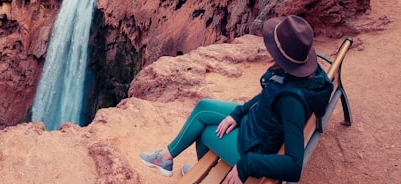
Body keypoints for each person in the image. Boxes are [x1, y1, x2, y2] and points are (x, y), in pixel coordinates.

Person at [139, 15, 334, 183]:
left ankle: (205, 177)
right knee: (203, 106)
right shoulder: (304, 73)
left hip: (253, 146)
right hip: (257, 126)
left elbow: (294, 166)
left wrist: (247, 165)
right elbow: (268, 96)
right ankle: (165, 157)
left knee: (204, 132)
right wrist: (238, 114)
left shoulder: (293, 102)